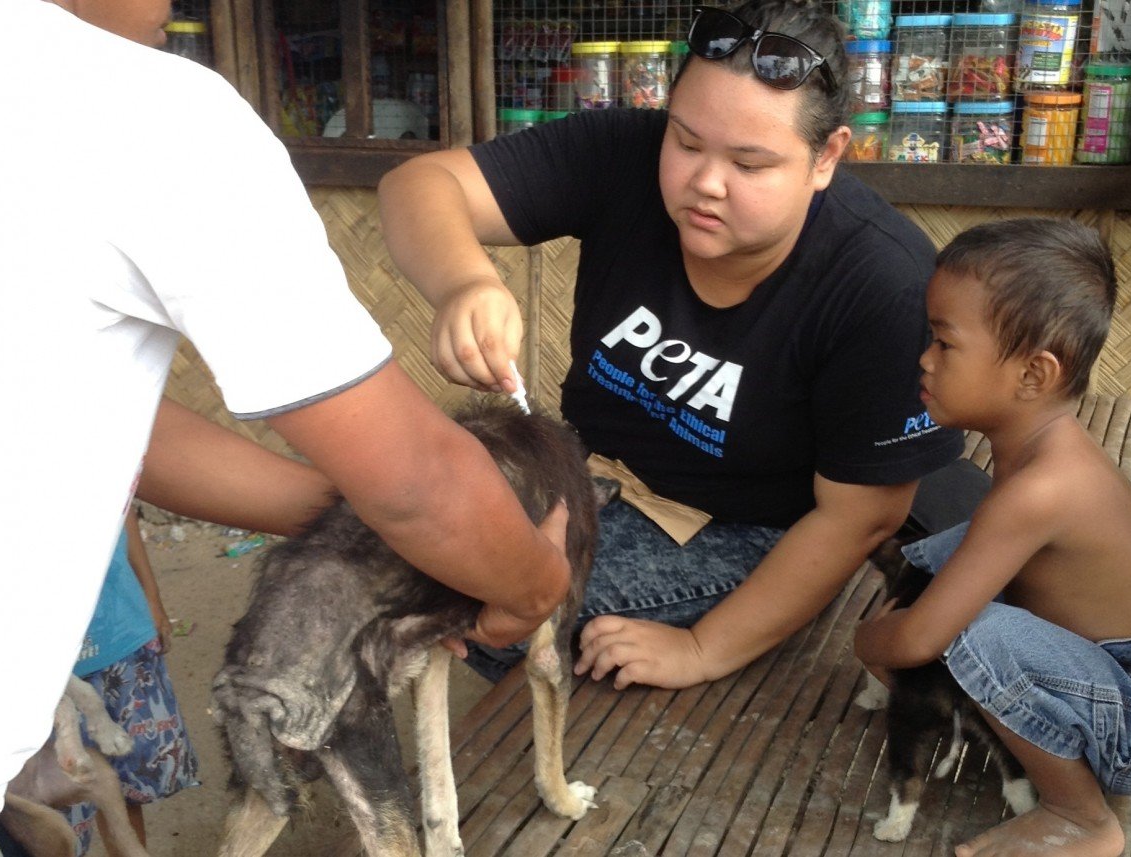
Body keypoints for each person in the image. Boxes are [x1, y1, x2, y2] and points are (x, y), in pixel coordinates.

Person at [0, 3, 573, 854]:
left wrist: (354, 525)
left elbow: (91, 417)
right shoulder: (145, 115)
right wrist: (536, 583)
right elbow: (419, 483)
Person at [377, 0, 964, 690]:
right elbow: (418, 185)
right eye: (686, 143)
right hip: (588, 474)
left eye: (750, 164)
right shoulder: (623, 154)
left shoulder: (881, 285)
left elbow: (859, 518)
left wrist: (702, 648)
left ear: (827, 155)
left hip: (746, 535)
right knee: (389, 535)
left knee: (469, 598)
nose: (704, 183)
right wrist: (464, 283)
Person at [854, 218, 1131, 857]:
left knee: (962, 629)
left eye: (944, 343)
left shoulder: (1039, 490)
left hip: (1130, 700)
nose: (924, 358)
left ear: (1034, 375)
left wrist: (870, 639)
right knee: (941, 554)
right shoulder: (1037, 455)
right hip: (1104, 666)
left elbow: (918, 637)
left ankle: (1082, 818)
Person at [64, 504, 198, 856]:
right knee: (51, 809)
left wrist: (152, 598)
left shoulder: (95, 453)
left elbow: (123, 510)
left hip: (119, 632)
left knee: (124, 789)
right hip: (39, 666)